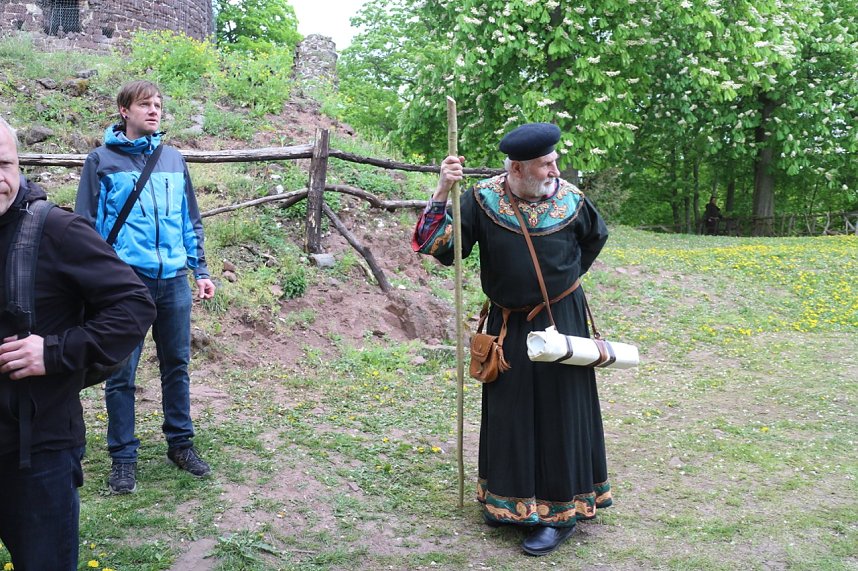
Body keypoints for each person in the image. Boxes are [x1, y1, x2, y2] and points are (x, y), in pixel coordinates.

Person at [412, 123, 612, 556]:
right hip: (507, 326)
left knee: (561, 412)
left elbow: (596, 238)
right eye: (545, 163)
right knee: (511, 412)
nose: (554, 169)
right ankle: (511, 501)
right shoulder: (483, 201)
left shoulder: (572, 200)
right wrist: (443, 191)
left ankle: (561, 513)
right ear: (518, 168)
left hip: (564, 321)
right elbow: (439, 246)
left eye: (555, 160)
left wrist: (562, 287)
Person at [0, 117, 155, 570]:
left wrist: (53, 352)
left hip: (37, 455)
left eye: (4, 164)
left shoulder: (56, 231)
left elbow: (134, 305)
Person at [75, 80, 216, 494]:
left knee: (177, 366)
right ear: (124, 110)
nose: (154, 111)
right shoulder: (100, 160)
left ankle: (181, 445)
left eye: (158, 105)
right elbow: (86, 229)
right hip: (125, 284)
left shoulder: (172, 159)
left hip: (173, 279)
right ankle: (123, 458)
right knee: (121, 372)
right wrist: (95, 284)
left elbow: (190, 220)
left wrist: (201, 271)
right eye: (144, 105)